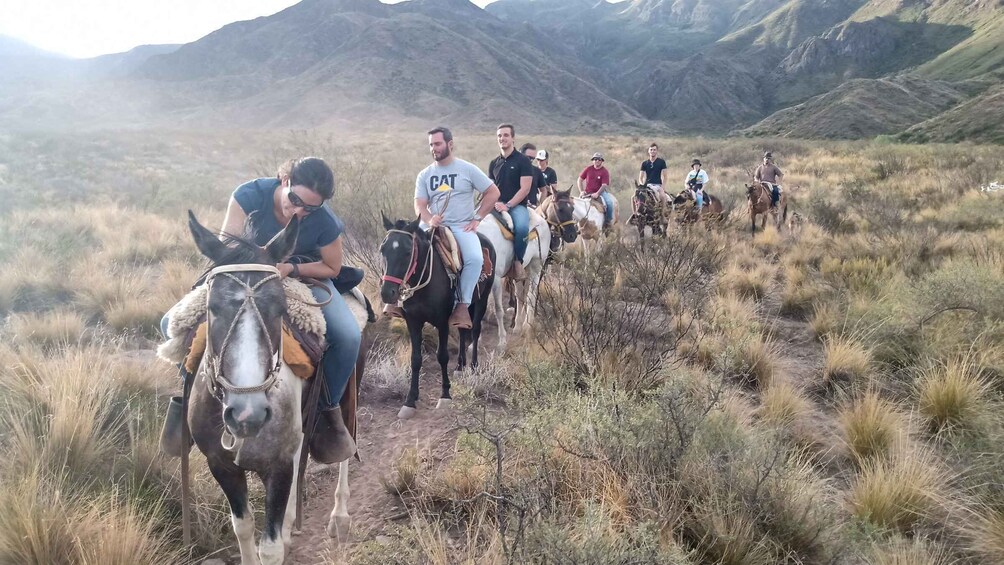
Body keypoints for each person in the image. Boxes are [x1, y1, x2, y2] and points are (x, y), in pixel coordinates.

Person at [162, 157, 362, 463]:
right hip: (243, 272)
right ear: (284, 180)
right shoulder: (249, 196)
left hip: (301, 275)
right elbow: (227, 249)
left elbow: (332, 266)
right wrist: (259, 268)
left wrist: (290, 267)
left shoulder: (324, 222)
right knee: (171, 324)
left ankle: (326, 413)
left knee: (348, 336)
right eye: (295, 200)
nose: (300, 211)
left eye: (310, 207)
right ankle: (189, 399)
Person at [413, 126, 500, 328]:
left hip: (462, 227)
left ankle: (462, 305)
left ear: (450, 144)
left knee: (475, 259)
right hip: (434, 226)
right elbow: (419, 204)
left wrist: (477, 217)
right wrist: (429, 219)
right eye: (431, 145)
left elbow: (493, 192)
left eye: (438, 143)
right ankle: (401, 300)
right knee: (406, 251)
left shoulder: (467, 169)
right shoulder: (425, 175)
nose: (434, 148)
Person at [488, 124, 534, 281]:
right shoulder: (494, 163)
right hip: (495, 204)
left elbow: (525, 189)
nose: (502, 138)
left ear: (513, 138)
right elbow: (490, 188)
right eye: (499, 136)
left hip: (516, 206)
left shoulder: (523, 161)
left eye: (506, 135)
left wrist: (507, 205)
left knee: (521, 228)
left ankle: (517, 262)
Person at [577, 152, 614, 228]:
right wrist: (581, 191)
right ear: (592, 160)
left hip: (601, 192)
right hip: (588, 192)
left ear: (602, 161)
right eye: (595, 159)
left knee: (610, 204)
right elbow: (579, 180)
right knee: (575, 205)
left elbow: (604, 185)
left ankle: (607, 222)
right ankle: (575, 224)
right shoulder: (588, 169)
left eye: (599, 159)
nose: (597, 161)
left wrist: (597, 193)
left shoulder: (604, 171)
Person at [519, 142, 545, 209]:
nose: (530, 160)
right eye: (528, 157)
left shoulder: (536, 171)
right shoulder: (512, 169)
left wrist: (540, 205)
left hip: (532, 208)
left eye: (533, 158)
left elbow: (543, 190)